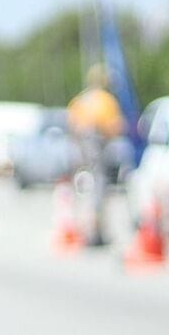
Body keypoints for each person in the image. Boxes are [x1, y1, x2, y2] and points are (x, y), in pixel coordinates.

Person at [67, 62, 125, 246]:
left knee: (82, 188)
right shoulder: (106, 100)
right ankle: (95, 230)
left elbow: (72, 124)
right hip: (97, 146)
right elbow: (115, 127)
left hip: (81, 149)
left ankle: (81, 228)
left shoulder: (81, 100)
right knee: (99, 186)